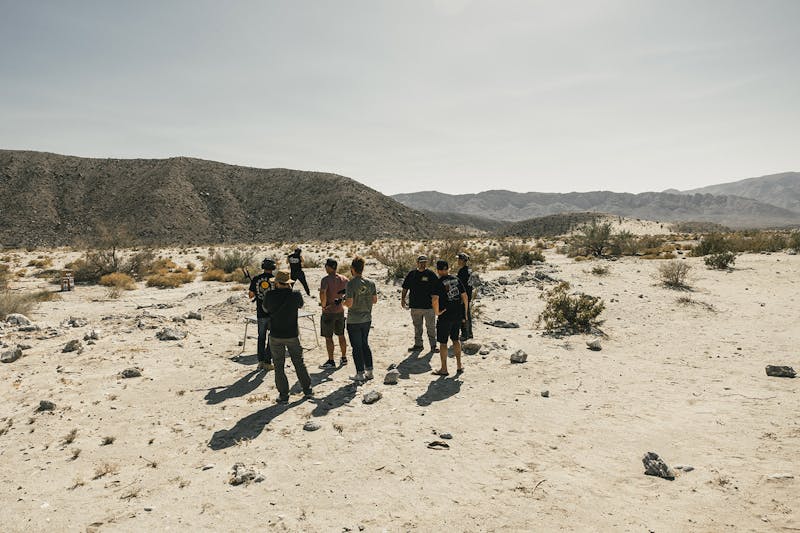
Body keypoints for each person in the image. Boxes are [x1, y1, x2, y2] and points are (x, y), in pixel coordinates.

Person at [263, 270, 312, 404]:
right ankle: (307, 389)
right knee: (299, 362)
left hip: (276, 334)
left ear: (277, 283)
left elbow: (265, 309)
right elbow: (300, 305)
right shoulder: (295, 295)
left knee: (279, 366)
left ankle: (283, 395)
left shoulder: (269, 295)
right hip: (292, 334)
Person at [431, 259, 468, 376]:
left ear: (438, 270)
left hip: (445, 316)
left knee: (443, 343)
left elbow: (435, 299)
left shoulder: (438, 282)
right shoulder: (456, 279)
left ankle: (444, 369)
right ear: (448, 269)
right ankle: (459, 365)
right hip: (457, 314)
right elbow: (465, 296)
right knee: (456, 339)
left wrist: (437, 312)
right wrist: (465, 313)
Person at [343, 256, 378, 382]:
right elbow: (374, 300)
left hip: (354, 320)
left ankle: (360, 373)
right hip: (367, 319)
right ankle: (370, 371)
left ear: (353, 269)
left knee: (356, 347)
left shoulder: (351, 284)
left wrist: (342, 302)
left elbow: (349, 303)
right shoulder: (370, 283)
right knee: (364, 344)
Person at [401, 255, 437, 352]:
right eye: (421, 262)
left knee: (431, 327)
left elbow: (437, 288)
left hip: (429, 306)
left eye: (424, 262)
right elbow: (405, 287)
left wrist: (436, 302)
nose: (423, 264)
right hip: (415, 306)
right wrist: (403, 299)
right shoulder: (412, 274)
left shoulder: (431, 274)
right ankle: (418, 345)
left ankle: (433, 346)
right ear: (417, 263)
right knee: (417, 327)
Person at [319, 258, 348, 368]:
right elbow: (348, 293)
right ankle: (344, 357)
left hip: (329, 311)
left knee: (328, 337)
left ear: (329, 267)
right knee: (341, 335)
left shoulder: (325, 280)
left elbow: (323, 293)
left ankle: (331, 360)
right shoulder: (344, 279)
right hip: (340, 311)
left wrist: (323, 305)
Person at [248, 258, 276, 371]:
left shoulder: (256, 279)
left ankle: (260, 361)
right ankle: (268, 361)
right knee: (272, 338)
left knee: (261, 338)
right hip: (273, 313)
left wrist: (258, 292)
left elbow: (250, 295)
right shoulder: (276, 280)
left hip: (260, 313)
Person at [456, 252, 476, 341]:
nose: (458, 261)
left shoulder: (462, 271)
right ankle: (469, 333)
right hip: (468, 295)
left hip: (463, 296)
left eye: (459, 259)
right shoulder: (469, 270)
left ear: (462, 260)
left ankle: (465, 334)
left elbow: (460, 285)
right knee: (467, 314)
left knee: (463, 315)